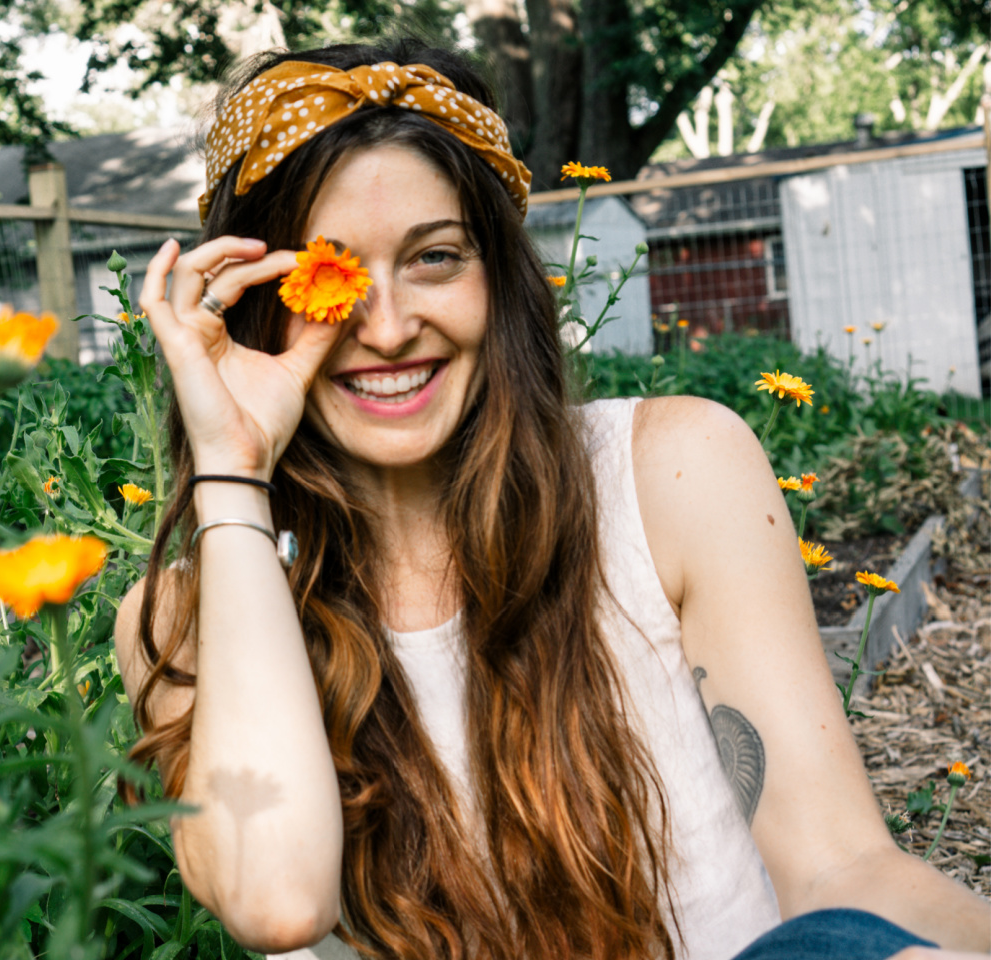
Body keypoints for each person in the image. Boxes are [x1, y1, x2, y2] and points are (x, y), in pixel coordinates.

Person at [113, 38, 990, 960]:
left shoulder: (672, 473)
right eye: (326, 278)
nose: (389, 326)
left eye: (436, 258)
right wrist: (232, 468)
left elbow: (841, 871)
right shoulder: (181, 620)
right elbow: (276, 902)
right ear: (252, 306)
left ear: (499, 279)